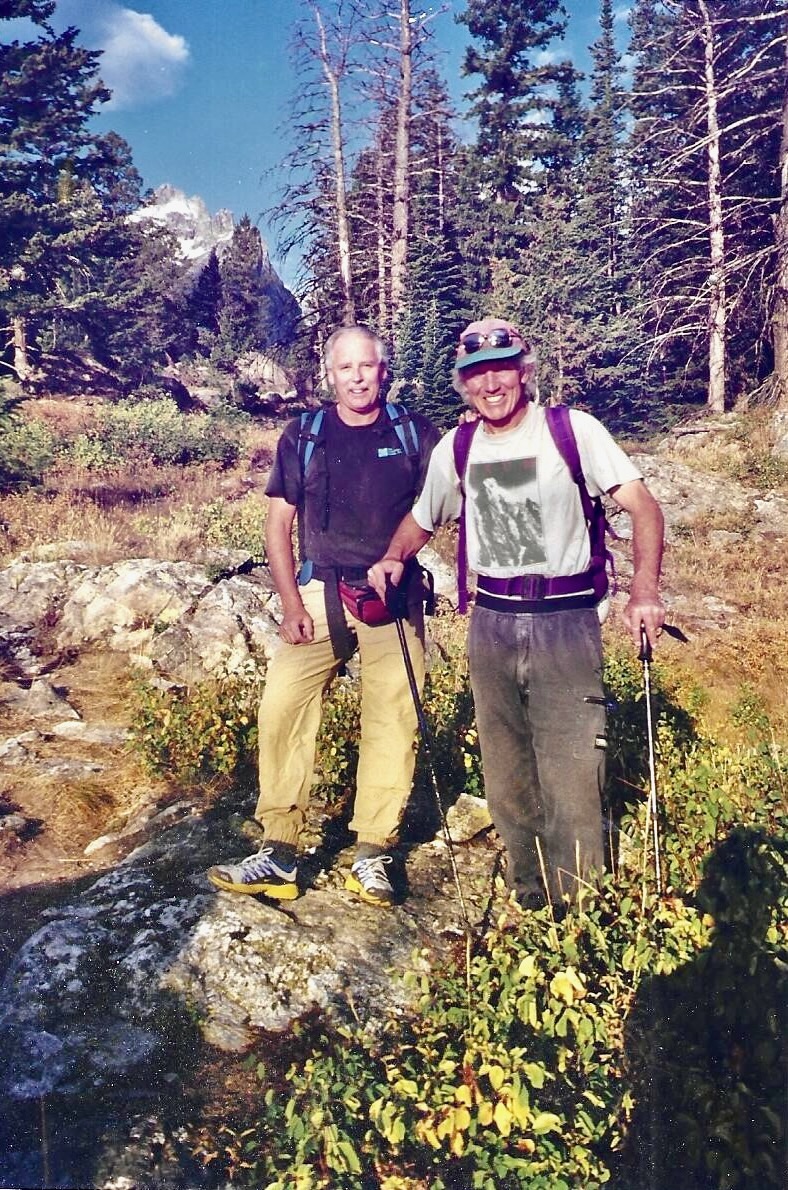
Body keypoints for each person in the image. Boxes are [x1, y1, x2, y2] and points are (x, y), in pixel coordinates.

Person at [369, 317, 665, 908]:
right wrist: (393, 557)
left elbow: (643, 507)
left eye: (502, 367)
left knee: (575, 767)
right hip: (492, 621)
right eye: (477, 374)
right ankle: (529, 892)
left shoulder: (571, 430)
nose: (491, 383)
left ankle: (578, 903)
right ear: (463, 383)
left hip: (566, 622)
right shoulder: (458, 448)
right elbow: (424, 518)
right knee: (505, 769)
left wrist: (645, 590)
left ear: (524, 371)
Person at [208, 325, 440, 907]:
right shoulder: (303, 434)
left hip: (392, 594)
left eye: (368, 366)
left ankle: (372, 852)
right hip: (317, 593)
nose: (358, 377)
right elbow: (277, 525)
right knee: (282, 707)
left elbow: (437, 509)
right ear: (328, 374)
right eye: (346, 368)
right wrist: (289, 604)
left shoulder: (415, 434)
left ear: (383, 371)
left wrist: (401, 560)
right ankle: (279, 849)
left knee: (393, 718)